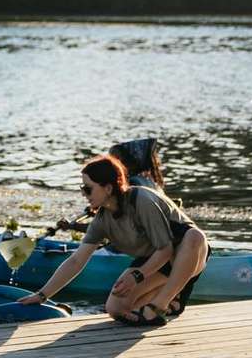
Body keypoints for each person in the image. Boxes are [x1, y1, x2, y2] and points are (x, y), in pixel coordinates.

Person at [20, 155, 203, 325]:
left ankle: (159, 305)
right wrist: (42, 295)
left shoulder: (142, 200)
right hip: (154, 261)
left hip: (186, 253)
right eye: (82, 189)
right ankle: (173, 298)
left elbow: (166, 249)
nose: (84, 194)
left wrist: (137, 276)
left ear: (108, 188)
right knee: (116, 309)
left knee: (194, 235)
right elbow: (76, 261)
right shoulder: (101, 220)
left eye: (88, 188)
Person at [107, 137, 211, 308]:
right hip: (170, 247)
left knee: (120, 307)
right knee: (118, 308)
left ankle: (166, 298)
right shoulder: (152, 181)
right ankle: (171, 295)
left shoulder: (133, 184)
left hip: (168, 249)